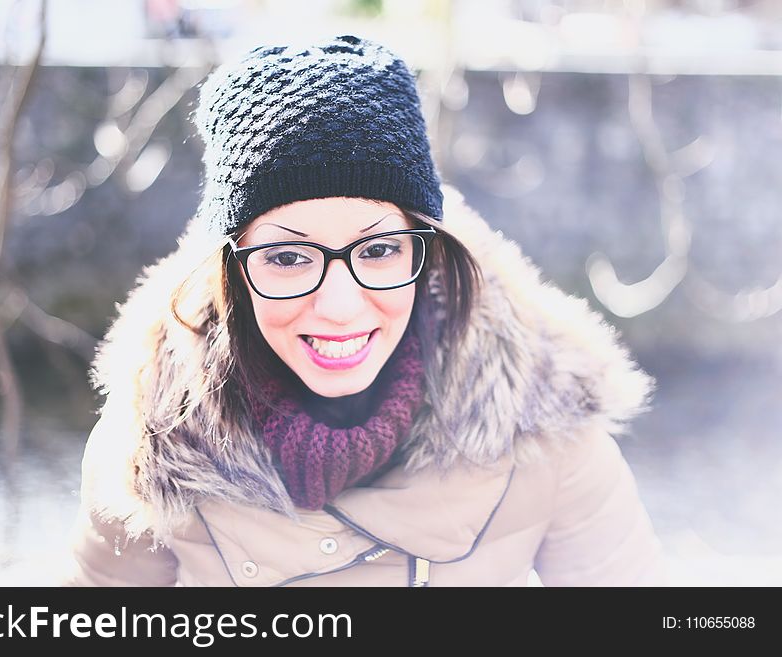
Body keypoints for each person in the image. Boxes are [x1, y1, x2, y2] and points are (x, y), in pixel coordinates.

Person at [62, 34, 666, 587]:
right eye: (289, 258)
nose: (340, 306)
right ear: (232, 271)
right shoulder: (153, 447)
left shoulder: (545, 425)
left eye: (377, 250)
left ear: (427, 251)